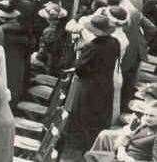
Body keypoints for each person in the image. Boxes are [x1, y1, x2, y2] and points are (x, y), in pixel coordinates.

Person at [67, 14, 122, 153]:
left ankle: (83, 147)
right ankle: (95, 146)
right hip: (106, 84)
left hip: (89, 86)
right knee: (100, 116)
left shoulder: (92, 47)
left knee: (85, 116)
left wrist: (80, 54)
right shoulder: (115, 42)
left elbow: (80, 69)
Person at [84, 104, 157, 162]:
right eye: (146, 114)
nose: (147, 118)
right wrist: (121, 150)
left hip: (132, 159)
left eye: (151, 116)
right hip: (122, 155)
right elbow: (127, 137)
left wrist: (130, 160)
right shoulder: (144, 126)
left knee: (94, 157)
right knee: (91, 155)